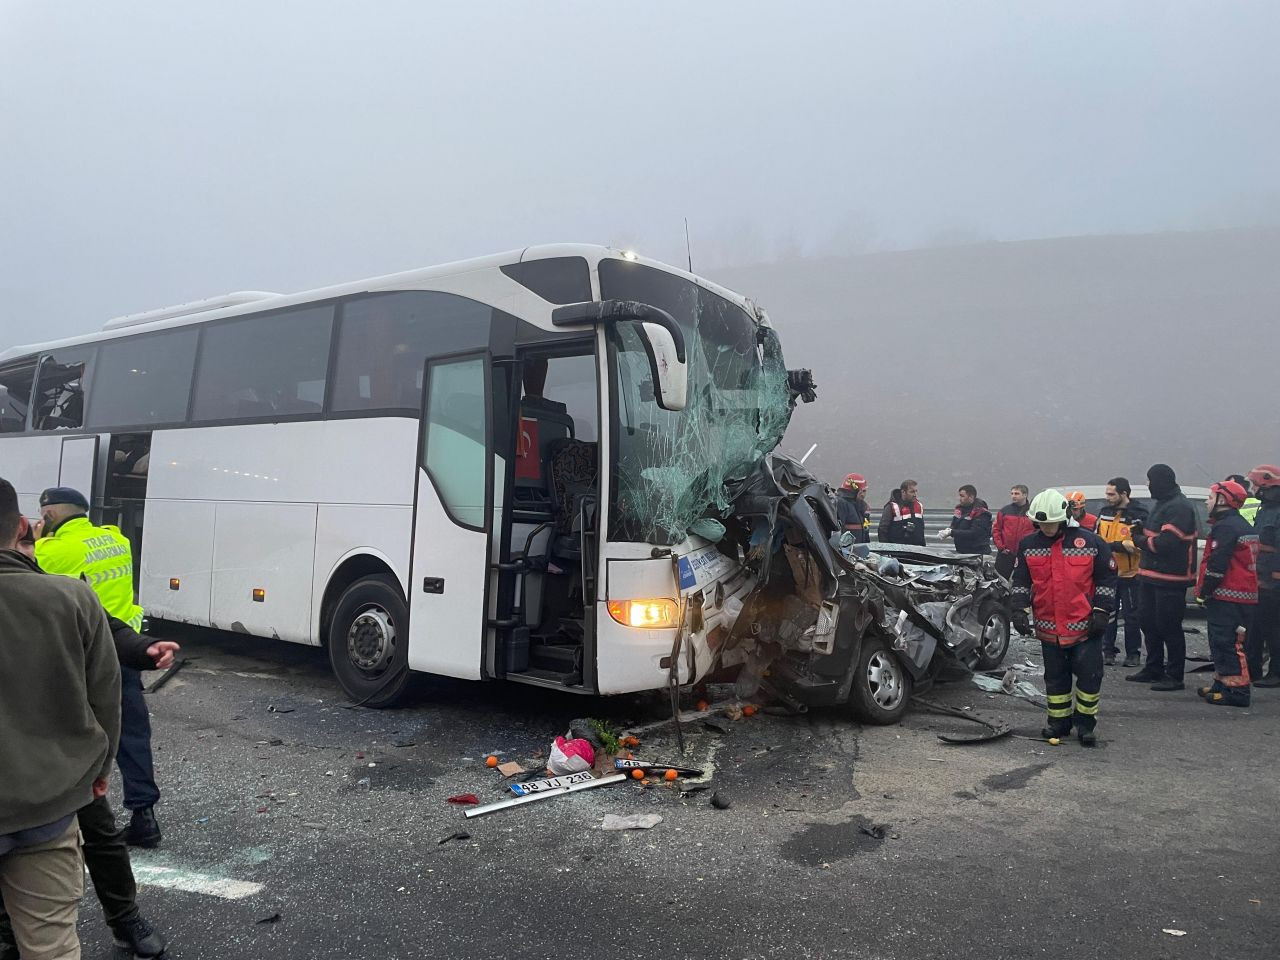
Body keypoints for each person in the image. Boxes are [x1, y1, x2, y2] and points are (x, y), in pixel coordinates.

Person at [0, 519, 176, 960]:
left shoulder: (50, 579)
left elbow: (101, 625)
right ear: (20, 526)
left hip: (56, 755)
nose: (31, 546)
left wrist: (142, 648)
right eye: (26, 539)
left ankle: (124, 918)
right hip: (39, 762)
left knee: (99, 834)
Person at [0, 477, 121, 960]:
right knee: (50, 946)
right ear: (24, 527)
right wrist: (99, 772)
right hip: (46, 808)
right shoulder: (71, 598)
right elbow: (106, 698)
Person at [35, 487, 162, 847]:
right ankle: (144, 817)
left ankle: (67, 820)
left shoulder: (53, 550)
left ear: (49, 516)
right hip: (126, 648)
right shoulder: (115, 538)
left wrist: (41, 536)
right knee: (132, 735)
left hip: (84, 653)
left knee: (70, 735)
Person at [1010, 489, 1117, 746]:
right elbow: (1021, 582)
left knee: (1089, 677)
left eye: (1052, 523)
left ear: (1065, 518)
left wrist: (1102, 611)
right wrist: (1018, 609)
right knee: (1055, 678)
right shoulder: (1028, 545)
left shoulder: (1091, 543)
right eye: (1042, 524)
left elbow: (1106, 579)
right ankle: (1058, 722)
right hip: (1049, 628)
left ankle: (1085, 724)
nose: (1047, 528)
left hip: (1085, 626)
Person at [1126, 464, 1199, 691]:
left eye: (1150, 480)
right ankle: (1154, 667)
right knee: (1147, 622)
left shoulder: (1180, 507)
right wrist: (1140, 529)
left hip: (1171, 578)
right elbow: (1155, 534)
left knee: (1169, 626)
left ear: (1161, 481)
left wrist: (1138, 539)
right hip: (1149, 575)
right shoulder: (1162, 503)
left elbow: (1165, 544)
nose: (1148, 485)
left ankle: (1175, 675)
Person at [1194, 480, 1259, 707]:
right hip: (1235, 595)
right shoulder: (1235, 524)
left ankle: (1237, 692)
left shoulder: (1227, 528)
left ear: (1223, 500)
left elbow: (1216, 565)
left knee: (1229, 643)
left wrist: (1204, 592)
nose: (1206, 501)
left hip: (1229, 595)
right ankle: (1221, 683)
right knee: (1220, 641)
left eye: (1210, 498)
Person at [1094, 477, 1149, 667]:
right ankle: (1107, 651)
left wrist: (1112, 546)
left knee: (1132, 616)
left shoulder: (1139, 513)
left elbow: (1137, 545)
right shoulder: (1104, 512)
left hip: (1131, 573)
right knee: (1106, 613)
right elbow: (1096, 539)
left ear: (1124, 494)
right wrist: (1117, 546)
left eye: (1111, 494)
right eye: (1107, 493)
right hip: (1108, 572)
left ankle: (1133, 654)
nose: (1107, 497)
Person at [1246, 464, 1280, 686]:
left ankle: (1276, 672)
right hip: (1259, 578)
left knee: (1273, 628)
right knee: (1255, 627)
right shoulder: (1265, 510)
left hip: (1273, 582)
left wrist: (1274, 577)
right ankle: (1253, 669)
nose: (1253, 489)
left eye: (1256, 485)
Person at [992, 485, 1034, 579]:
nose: (1013, 496)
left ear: (1025, 495)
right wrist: (1001, 547)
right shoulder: (1005, 511)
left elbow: (1036, 531)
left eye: (1017, 494)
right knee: (999, 581)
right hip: (1006, 553)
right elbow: (996, 529)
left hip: (1025, 554)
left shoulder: (1032, 512)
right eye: (1012, 493)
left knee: (1022, 581)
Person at [939, 484, 992, 554]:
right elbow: (954, 524)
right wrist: (948, 530)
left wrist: (952, 532)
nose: (959, 498)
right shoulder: (959, 509)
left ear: (971, 497)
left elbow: (974, 533)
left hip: (978, 553)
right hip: (962, 551)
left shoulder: (981, 512)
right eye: (959, 496)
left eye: (962, 496)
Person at [877, 479, 926, 546]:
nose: (915, 495)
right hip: (899, 551)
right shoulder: (892, 507)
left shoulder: (919, 506)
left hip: (917, 551)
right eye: (912, 492)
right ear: (903, 492)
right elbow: (882, 530)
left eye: (915, 491)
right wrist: (887, 549)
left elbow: (921, 529)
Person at [834, 473, 871, 544]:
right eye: (862, 491)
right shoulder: (840, 504)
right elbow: (838, 530)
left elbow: (866, 529)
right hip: (847, 552)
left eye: (865, 491)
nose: (863, 494)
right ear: (854, 491)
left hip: (859, 550)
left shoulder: (863, 506)